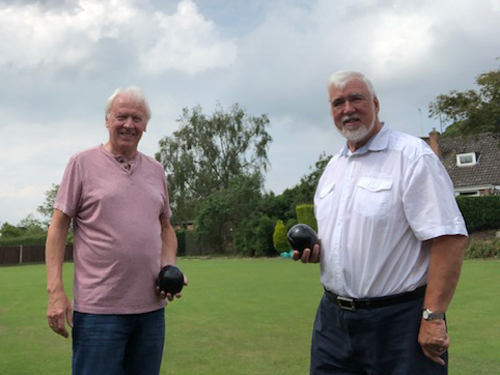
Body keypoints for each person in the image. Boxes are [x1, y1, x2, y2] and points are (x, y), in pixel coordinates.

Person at [293, 71, 468, 375]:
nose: (347, 109)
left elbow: (448, 238)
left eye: (355, 98)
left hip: (399, 323)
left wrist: (433, 317)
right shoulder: (333, 168)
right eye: (338, 103)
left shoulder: (412, 156)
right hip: (333, 323)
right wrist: (321, 251)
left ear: (375, 102)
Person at [45, 86, 185, 375]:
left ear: (145, 126)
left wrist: (168, 265)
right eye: (121, 117)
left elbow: (166, 228)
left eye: (137, 118)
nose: (129, 125)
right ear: (107, 120)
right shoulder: (81, 164)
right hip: (98, 313)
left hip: (150, 312)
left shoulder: (157, 171)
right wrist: (55, 291)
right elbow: (58, 227)